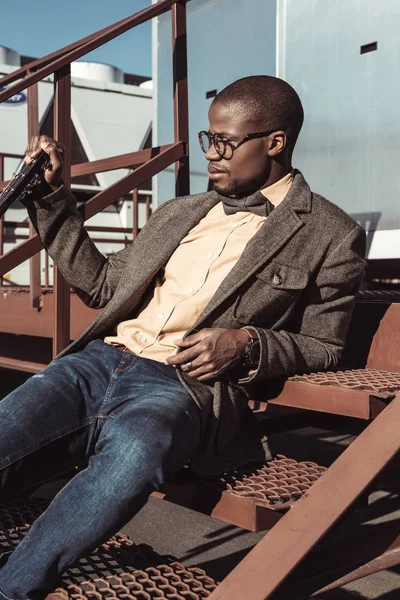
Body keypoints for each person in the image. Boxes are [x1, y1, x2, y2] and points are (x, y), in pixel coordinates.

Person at [0, 75, 366, 599]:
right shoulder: (180, 212)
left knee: (129, 463)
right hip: (97, 363)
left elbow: (326, 345)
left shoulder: (331, 233)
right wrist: (54, 197)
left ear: (275, 142)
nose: (211, 155)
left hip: (179, 388)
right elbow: (102, 285)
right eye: (207, 139)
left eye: (224, 142)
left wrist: (248, 343)